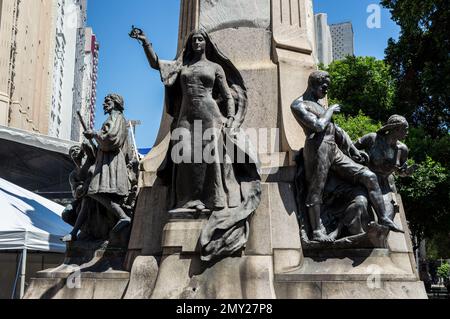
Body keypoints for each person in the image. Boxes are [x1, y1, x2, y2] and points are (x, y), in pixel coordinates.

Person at [130, 27, 261, 261]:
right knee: (186, 156)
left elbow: (227, 95)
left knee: (210, 158)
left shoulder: (215, 67)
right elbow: (156, 64)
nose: (197, 42)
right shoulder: (183, 67)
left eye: (200, 39)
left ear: (206, 43)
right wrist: (145, 42)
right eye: (194, 40)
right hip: (186, 115)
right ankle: (188, 201)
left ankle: (213, 200)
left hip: (210, 114)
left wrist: (230, 118)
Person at [291, 71, 403, 243]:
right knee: (316, 189)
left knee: (368, 175)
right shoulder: (298, 105)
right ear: (313, 84)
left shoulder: (319, 104)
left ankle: (383, 218)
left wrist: (353, 150)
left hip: (333, 148)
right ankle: (316, 232)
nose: (326, 91)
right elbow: (318, 126)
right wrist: (330, 110)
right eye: (324, 87)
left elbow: (337, 131)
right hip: (317, 148)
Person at [83, 94, 133, 234]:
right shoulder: (112, 118)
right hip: (105, 161)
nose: (104, 104)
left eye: (107, 101)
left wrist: (94, 134)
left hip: (111, 162)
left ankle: (123, 216)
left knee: (93, 191)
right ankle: (117, 221)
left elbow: (111, 139)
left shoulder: (118, 118)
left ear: (116, 103)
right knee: (100, 194)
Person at [355, 115, 417, 219]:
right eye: (405, 129)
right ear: (396, 129)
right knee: (359, 206)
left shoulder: (402, 149)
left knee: (387, 217)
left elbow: (399, 172)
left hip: (386, 186)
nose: (407, 133)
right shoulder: (372, 138)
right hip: (366, 182)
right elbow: (351, 149)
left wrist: (406, 172)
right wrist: (362, 156)